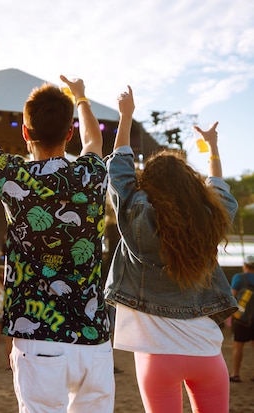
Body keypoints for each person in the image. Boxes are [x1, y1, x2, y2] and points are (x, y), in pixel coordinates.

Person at [0, 27, 114, 412]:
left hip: (38, 338)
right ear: (69, 133)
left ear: (25, 132)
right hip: (93, 341)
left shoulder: (15, 175)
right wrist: (81, 97)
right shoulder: (90, 175)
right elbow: (94, 141)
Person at [105, 87, 238, 412]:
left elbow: (119, 172)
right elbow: (219, 191)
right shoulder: (208, 220)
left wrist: (125, 116)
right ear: (190, 185)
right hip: (207, 353)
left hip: (156, 356)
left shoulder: (136, 211)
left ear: (147, 182)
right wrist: (213, 148)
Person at [229, 255, 254, 383]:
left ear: (245, 265)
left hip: (241, 319)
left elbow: (232, 297)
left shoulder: (238, 278)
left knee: (238, 347)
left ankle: (235, 374)